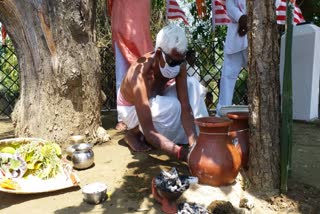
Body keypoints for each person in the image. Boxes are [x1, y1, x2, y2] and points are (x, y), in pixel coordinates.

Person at [117, 25, 208, 161]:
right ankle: (133, 133)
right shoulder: (140, 73)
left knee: (193, 85)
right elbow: (150, 131)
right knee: (171, 108)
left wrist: (194, 145)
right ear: (159, 53)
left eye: (181, 61)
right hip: (131, 109)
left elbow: (186, 108)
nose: (178, 66)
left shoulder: (178, 63)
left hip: (157, 97)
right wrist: (182, 154)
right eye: (173, 61)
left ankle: (201, 140)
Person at [107, 0, 153, 130]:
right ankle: (123, 118)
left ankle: (143, 115)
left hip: (139, 24)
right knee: (122, 73)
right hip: (121, 21)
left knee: (144, 71)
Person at [216, 0, 248, 116]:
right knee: (228, 75)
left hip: (260, 33)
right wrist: (241, 18)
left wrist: (253, 21)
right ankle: (222, 113)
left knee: (262, 73)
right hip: (236, 32)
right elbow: (230, 5)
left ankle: (263, 111)